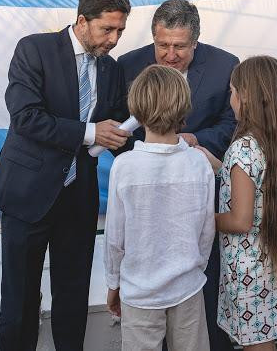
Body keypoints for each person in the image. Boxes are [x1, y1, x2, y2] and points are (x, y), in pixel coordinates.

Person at [0, 0, 132, 351]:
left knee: (73, 296)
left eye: (120, 31)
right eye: (107, 29)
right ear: (82, 21)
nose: (114, 39)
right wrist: (89, 132)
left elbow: (117, 128)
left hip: (78, 198)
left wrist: (156, 157)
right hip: (27, 194)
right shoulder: (34, 49)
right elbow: (26, 118)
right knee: (19, 298)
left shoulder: (112, 70)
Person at [118, 0, 238, 351]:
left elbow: (231, 122)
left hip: (198, 188)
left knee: (204, 282)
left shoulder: (225, 65)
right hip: (145, 196)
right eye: (162, 45)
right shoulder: (127, 65)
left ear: (196, 42)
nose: (170, 55)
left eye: (180, 47)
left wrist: (194, 140)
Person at [200, 56, 277, 350]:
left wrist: (200, 218)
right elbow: (255, 185)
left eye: (233, 92)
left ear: (246, 96)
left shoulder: (243, 148)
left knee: (257, 346)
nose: (231, 99)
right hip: (273, 262)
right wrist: (219, 165)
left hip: (248, 274)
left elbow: (240, 220)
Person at [104, 64, 215, 351]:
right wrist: (195, 267)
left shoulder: (124, 166)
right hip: (188, 286)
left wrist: (113, 282)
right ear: (185, 108)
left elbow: (115, 237)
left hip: (139, 291)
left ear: (137, 112)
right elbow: (206, 230)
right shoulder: (198, 162)